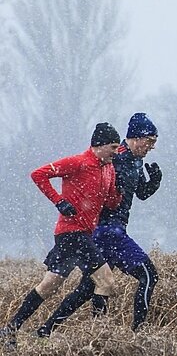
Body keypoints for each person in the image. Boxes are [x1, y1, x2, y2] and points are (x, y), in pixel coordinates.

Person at [37, 113, 163, 336]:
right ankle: (138, 333)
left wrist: (154, 183)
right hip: (107, 230)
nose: (151, 146)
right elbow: (98, 187)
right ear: (136, 137)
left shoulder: (136, 160)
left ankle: (47, 330)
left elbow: (139, 193)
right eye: (150, 141)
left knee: (87, 288)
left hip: (113, 230)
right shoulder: (117, 157)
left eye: (154, 142)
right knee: (148, 274)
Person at [1, 123, 123, 349]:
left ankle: (10, 329)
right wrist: (59, 201)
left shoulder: (110, 169)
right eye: (113, 147)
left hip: (83, 235)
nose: (116, 152)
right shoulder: (78, 162)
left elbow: (111, 202)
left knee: (49, 286)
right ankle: (100, 341)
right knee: (106, 282)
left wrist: (119, 191)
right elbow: (38, 174)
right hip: (70, 234)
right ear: (98, 145)